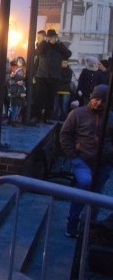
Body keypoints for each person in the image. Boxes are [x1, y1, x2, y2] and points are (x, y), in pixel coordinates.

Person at [59, 84, 113, 237]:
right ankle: (73, 222)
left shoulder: (111, 117)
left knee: (96, 195)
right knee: (84, 183)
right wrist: (73, 156)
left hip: (103, 162)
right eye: (96, 99)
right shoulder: (77, 114)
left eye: (103, 100)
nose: (99, 103)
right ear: (91, 97)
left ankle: (89, 226)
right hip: (82, 159)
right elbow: (65, 135)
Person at [34, 29, 71, 123]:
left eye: (54, 37)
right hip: (42, 75)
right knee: (39, 96)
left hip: (54, 76)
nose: (52, 39)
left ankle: (47, 117)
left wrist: (58, 43)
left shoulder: (59, 47)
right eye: (50, 37)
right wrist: (44, 42)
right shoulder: (43, 45)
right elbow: (37, 52)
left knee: (50, 98)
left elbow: (68, 53)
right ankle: (37, 116)